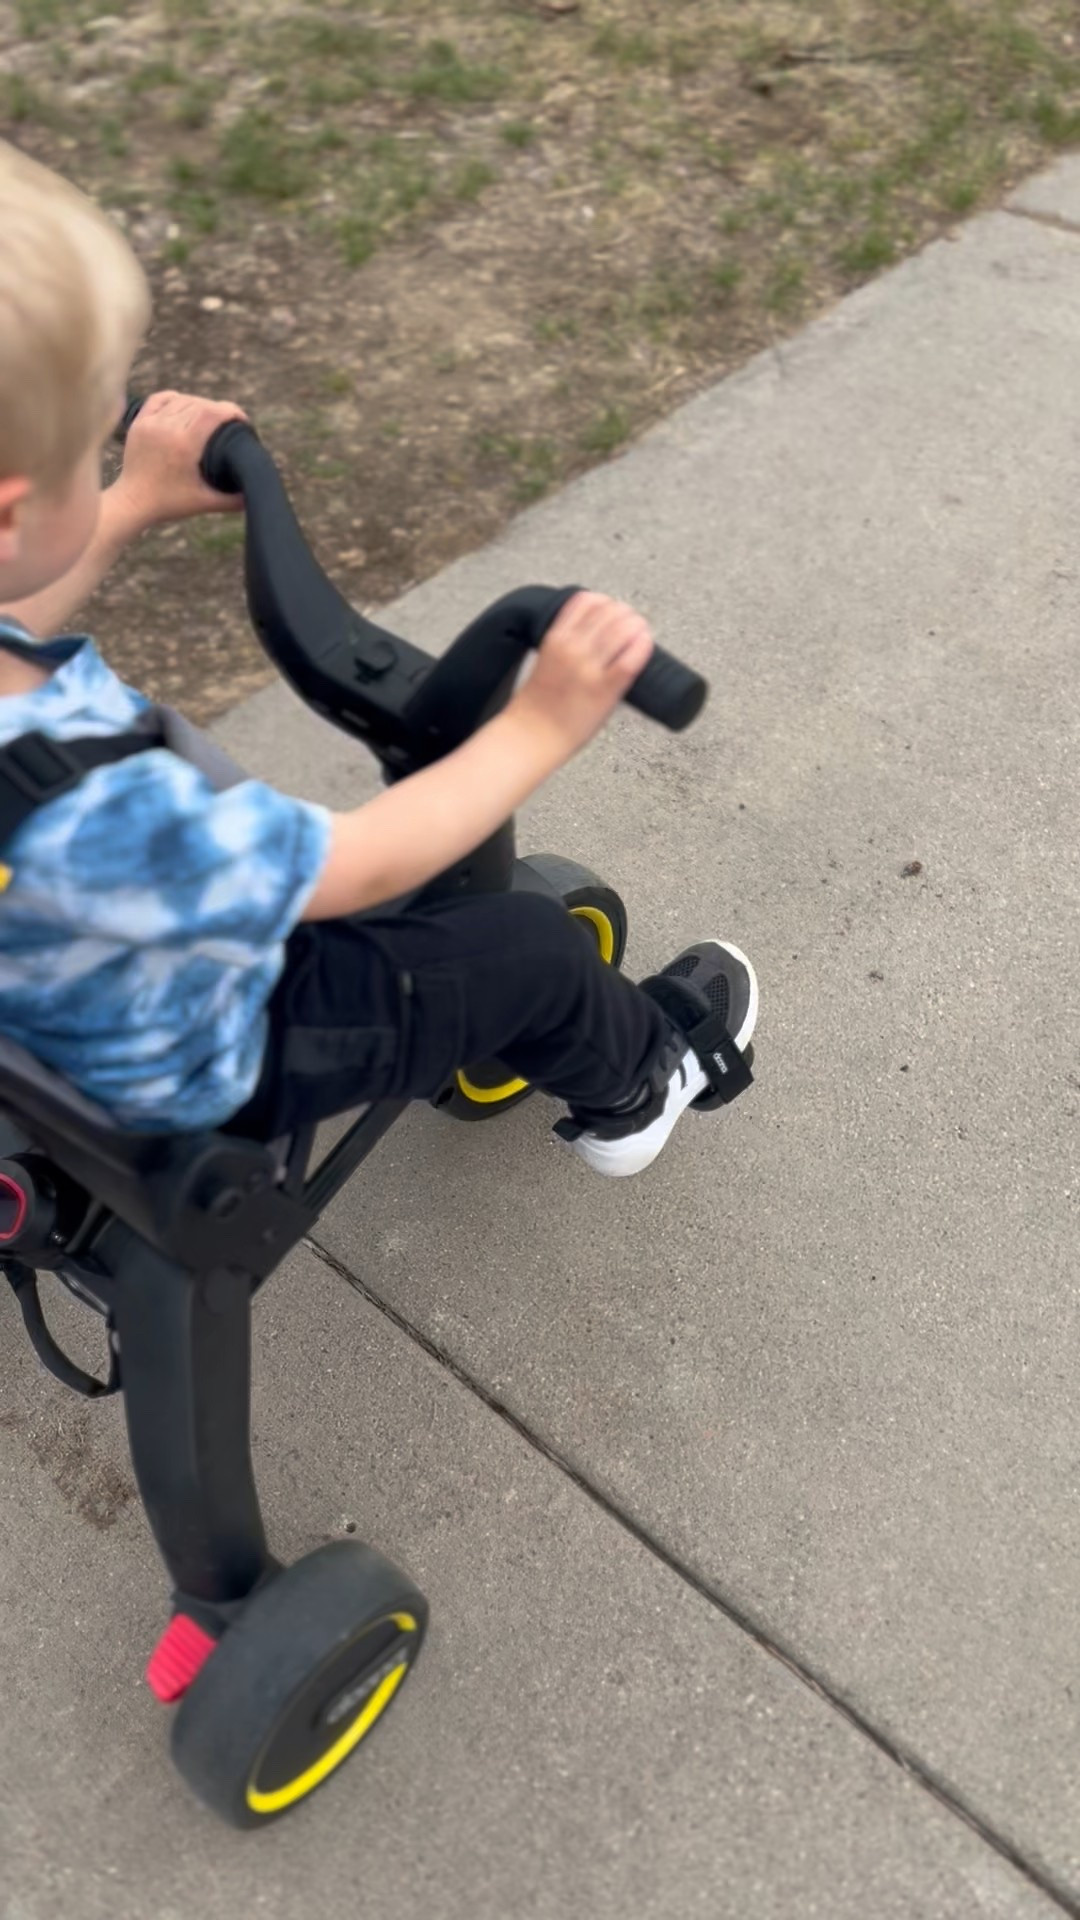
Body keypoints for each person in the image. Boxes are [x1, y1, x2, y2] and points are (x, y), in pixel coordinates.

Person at [0, 139, 757, 1179]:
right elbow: (359, 865)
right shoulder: (96, 810)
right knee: (530, 953)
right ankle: (640, 1088)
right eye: (93, 449)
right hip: (205, 1056)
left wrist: (129, 497)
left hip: (35, 1001)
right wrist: (542, 725)